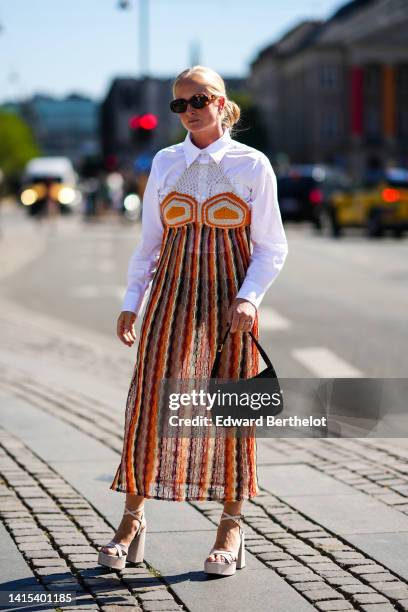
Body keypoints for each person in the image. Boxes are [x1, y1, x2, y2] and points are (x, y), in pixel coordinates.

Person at [98, 65, 288, 577]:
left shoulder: (253, 165)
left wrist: (250, 298)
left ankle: (231, 525)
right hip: (171, 295)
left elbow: (272, 247)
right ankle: (131, 521)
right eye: (179, 104)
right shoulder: (164, 162)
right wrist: (131, 301)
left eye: (199, 99)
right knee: (148, 403)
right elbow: (149, 245)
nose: (190, 111)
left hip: (230, 300)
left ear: (223, 103)